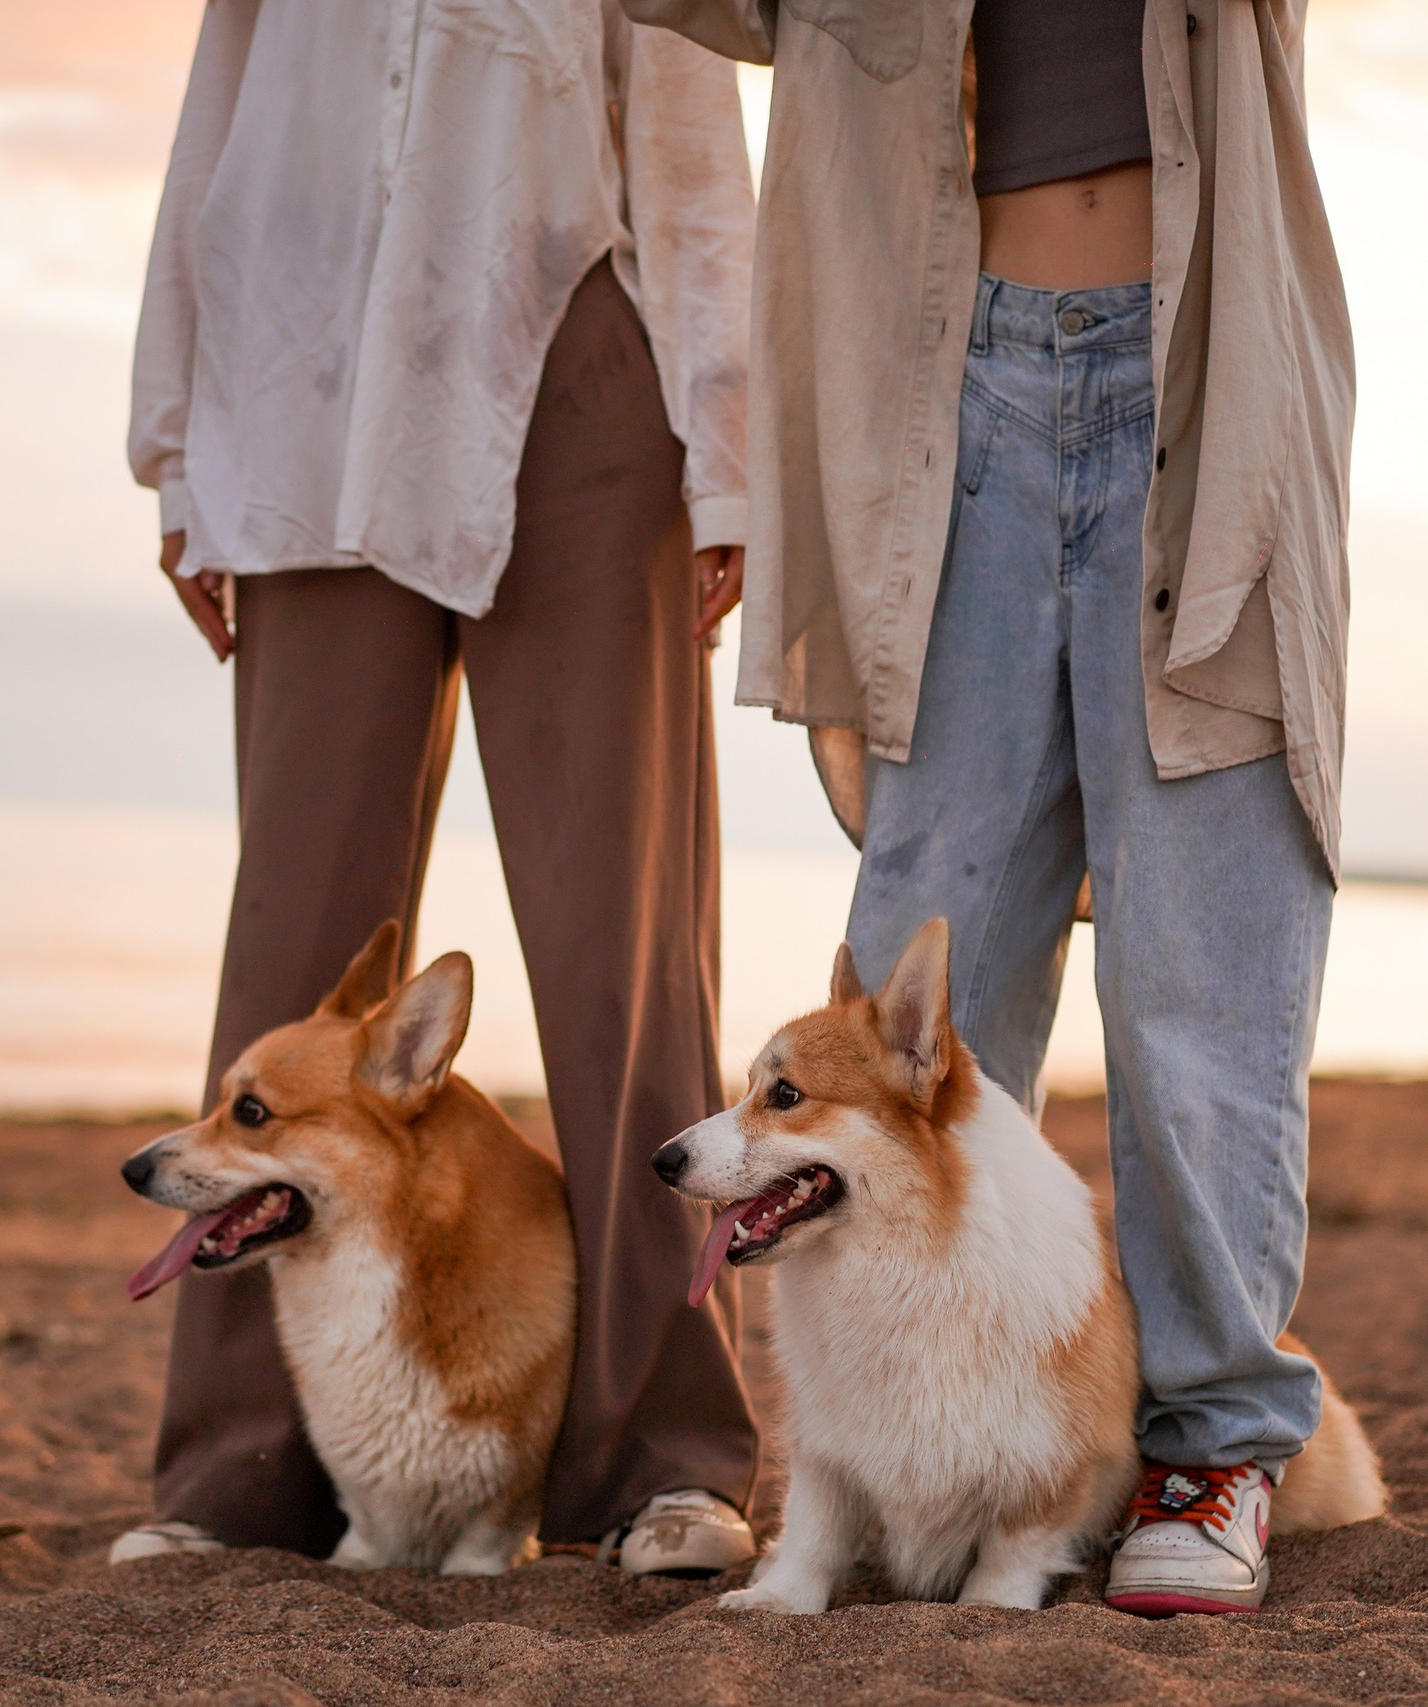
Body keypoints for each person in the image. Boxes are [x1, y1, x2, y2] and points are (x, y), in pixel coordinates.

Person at [621, 0, 1355, 1613]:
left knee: (1199, 989)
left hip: (1204, 376)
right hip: (955, 387)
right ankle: (904, 1443)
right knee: (917, 965)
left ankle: (1217, 1444)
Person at [113, 0, 764, 1576]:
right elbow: (224, 110)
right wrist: (179, 446)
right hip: (303, 380)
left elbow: (686, 128)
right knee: (291, 956)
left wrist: (728, 446)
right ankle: (244, 1476)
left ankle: (664, 1461)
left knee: (621, 959)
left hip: (574, 363)